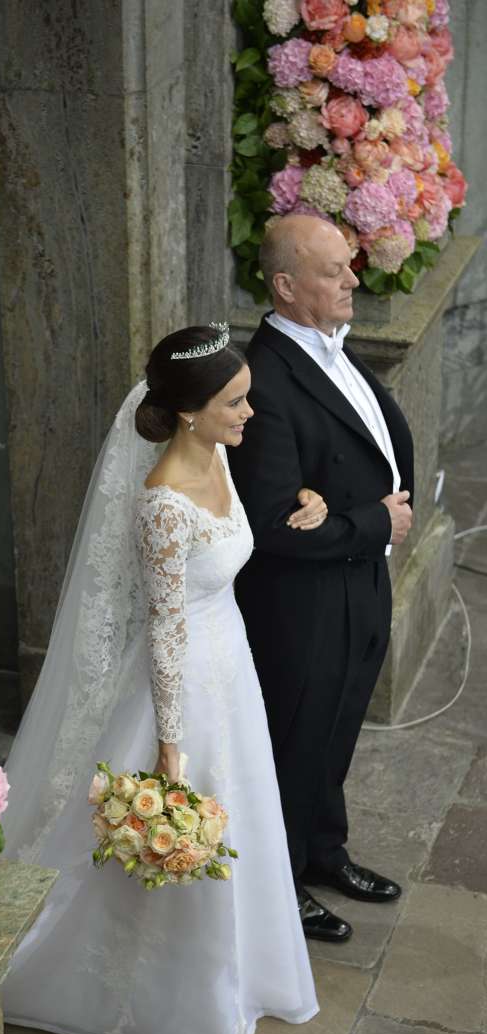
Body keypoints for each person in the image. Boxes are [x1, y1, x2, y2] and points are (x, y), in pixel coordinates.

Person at [0, 324, 320, 1034]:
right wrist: (170, 746)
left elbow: (233, 542)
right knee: (182, 827)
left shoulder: (218, 457)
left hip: (228, 668)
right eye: (234, 402)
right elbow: (165, 632)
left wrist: (302, 494)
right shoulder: (161, 503)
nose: (250, 413)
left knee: (239, 818)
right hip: (180, 691)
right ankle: (168, 1006)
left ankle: (249, 974)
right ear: (187, 411)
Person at [229, 214, 415, 944]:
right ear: (285, 285)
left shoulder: (333, 351)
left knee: (337, 728)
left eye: (348, 266)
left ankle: (322, 853)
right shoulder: (265, 378)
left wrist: (368, 527)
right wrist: (375, 522)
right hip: (303, 601)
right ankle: (281, 881)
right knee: (295, 736)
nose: (352, 280)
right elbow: (270, 522)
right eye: (334, 270)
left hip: (358, 576)